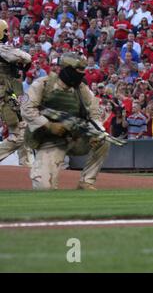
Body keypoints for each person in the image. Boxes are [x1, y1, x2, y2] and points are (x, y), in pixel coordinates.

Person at [21, 52, 111, 190]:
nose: (81, 74)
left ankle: (86, 182)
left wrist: (96, 131)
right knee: (44, 188)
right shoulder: (43, 84)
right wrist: (49, 125)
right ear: (67, 69)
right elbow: (26, 109)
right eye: (78, 71)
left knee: (103, 139)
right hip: (50, 139)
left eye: (83, 71)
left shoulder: (82, 89)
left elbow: (94, 112)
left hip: (75, 137)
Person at [0, 19, 33, 167]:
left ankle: (25, 165)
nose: (8, 34)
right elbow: (26, 57)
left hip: (11, 93)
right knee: (20, 133)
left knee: (22, 127)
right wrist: (21, 62)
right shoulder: (2, 49)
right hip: (6, 95)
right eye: (6, 31)